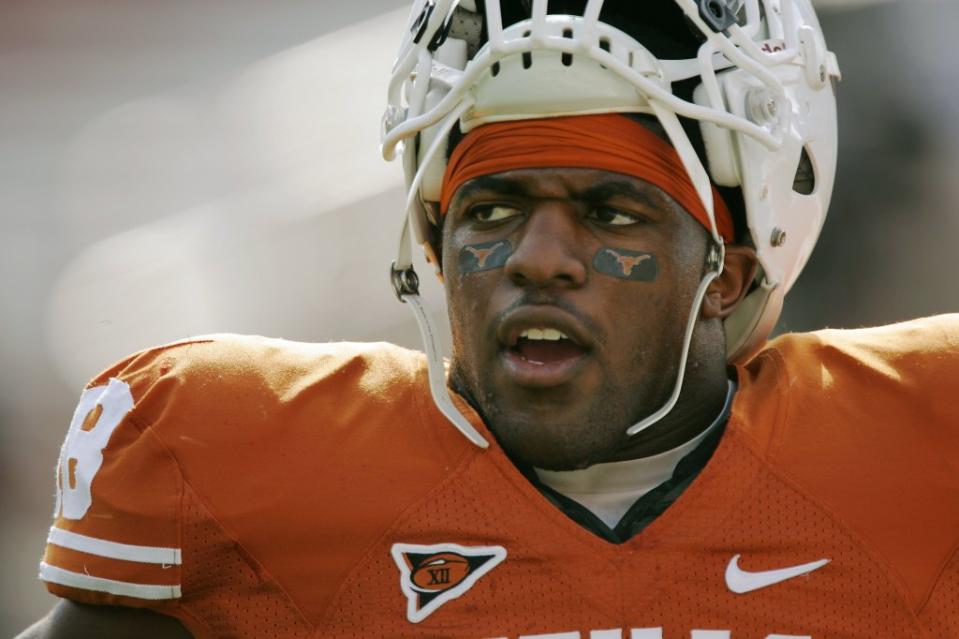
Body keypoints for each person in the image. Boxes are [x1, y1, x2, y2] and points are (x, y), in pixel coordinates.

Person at [17, 1, 959, 638]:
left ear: (728, 271)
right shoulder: (237, 461)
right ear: (431, 243)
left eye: (609, 211)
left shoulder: (918, 448)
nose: (535, 256)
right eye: (493, 208)